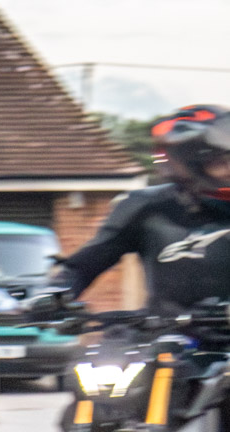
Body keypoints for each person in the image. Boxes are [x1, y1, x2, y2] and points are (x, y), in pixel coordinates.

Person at [55, 106, 230, 311]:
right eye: (220, 163)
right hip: (164, 328)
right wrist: (53, 296)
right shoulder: (147, 207)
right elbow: (82, 267)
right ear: (190, 164)